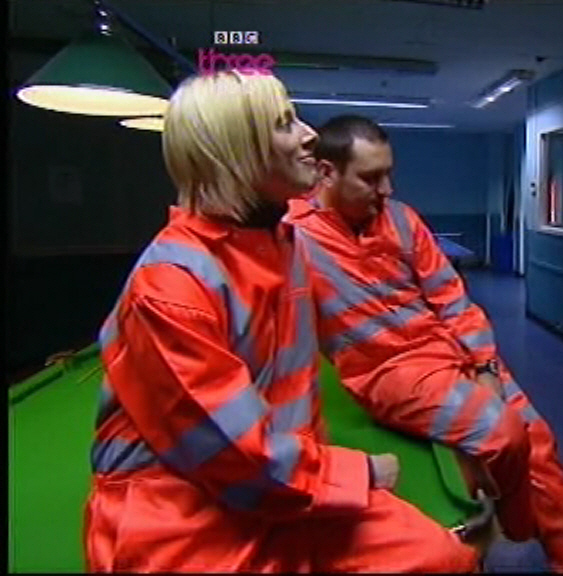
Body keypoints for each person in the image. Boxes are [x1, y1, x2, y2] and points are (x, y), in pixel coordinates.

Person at [85, 71, 478, 573]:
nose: (310, 135)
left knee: (443, 557)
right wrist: (359, 472)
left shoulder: (282, 240)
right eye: (284, 124)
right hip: (181, 519)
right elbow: (236, 457)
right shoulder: (171, 285)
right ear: (237, 151)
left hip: (285, 492)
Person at [287, 115, 563, 573]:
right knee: (504, 433)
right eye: (371, 178)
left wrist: (485, 366)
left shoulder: (402, 220)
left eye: (389, 174)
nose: (387, 189)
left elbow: (451, 298)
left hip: (451, 353)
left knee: (538, 440)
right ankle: (515, 527)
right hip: (390, 372)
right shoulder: (292, 233)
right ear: (326, 172)